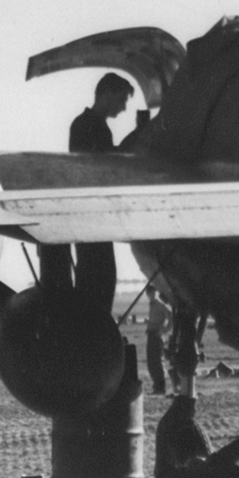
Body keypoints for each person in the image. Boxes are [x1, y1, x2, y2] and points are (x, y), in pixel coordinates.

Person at [67, 74, 131, 315]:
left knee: (97, 281)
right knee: (98, 282)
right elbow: (100, 165)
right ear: (107, 94)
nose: (123, 106)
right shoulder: (88, 125)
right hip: (92, 219)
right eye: (122, 99)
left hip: (92, 219)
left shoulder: (90, 125)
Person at [69, 73, 133, 153]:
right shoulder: (86, 124)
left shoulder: (87, 123)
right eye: (121, 100)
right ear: (107, 96)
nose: (124, 108)